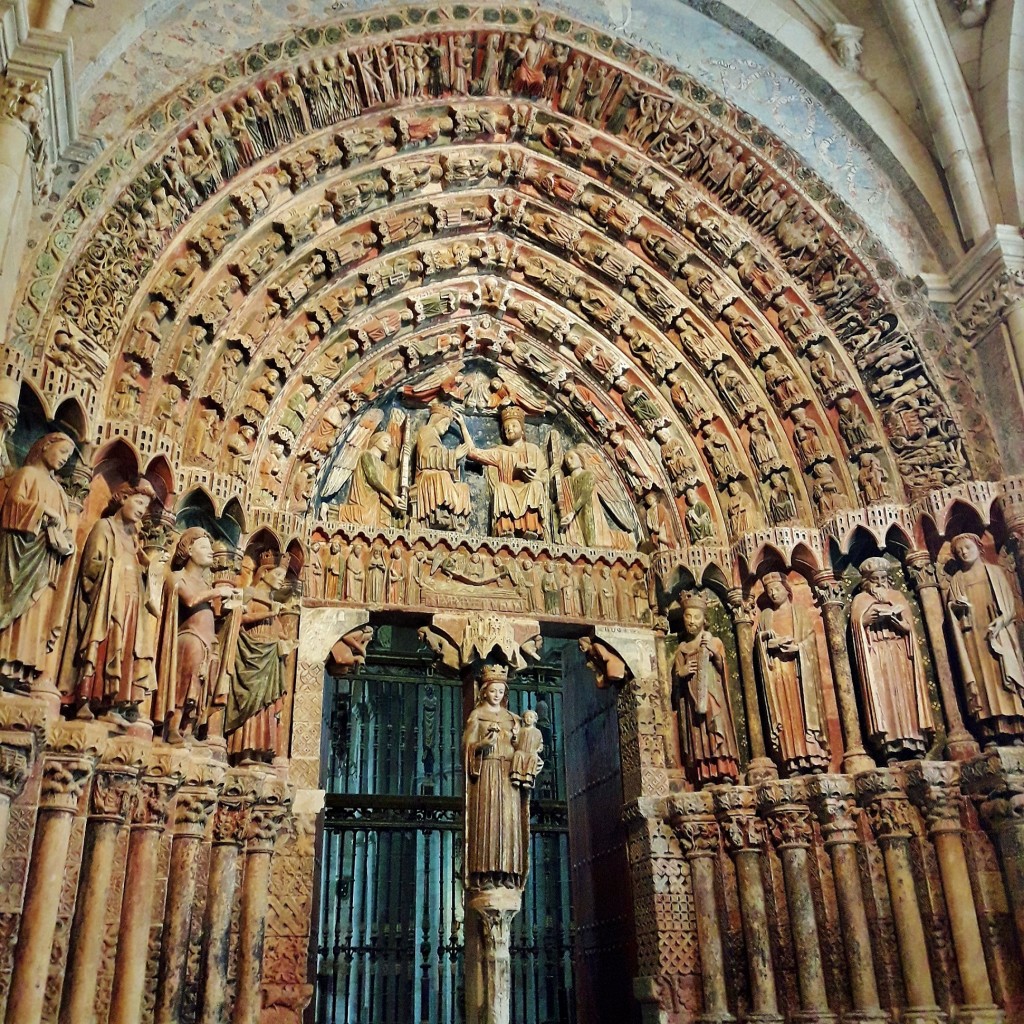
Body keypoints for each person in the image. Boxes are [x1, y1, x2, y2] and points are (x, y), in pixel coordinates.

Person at [59, 480, 159, 724]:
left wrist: (145, 568)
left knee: (126, 650)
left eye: (145, 507)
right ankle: (85, 700)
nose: (141, 511)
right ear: (123, 498)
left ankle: (111, 706)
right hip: (108, 600)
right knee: (103, 645)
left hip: (131, 602)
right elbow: (91, 566)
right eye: (138, 502)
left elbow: (139, 572)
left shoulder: (134, 541)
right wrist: (115, 568)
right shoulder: (104, 527)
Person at [0, 432, 76, 690]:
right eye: (63, 452)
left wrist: (66, 542)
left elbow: (65, 526)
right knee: (18, 607)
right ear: (45, 446)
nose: (65, 459)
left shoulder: (59, 490)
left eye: (69, 456)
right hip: (23, 556)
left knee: (38, 614)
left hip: (47, 562)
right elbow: (11, 507)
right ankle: (4, 661)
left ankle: (21, 670)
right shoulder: (28, 475)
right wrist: (43, 511)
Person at [153, 528, 240, 744]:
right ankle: (172, 726)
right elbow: (190, 600)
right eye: (204, 547)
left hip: (207, 641)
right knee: (186, 680)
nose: (210, 552)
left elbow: (211, 614)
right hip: (188, 638)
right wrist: (217, 592)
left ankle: (189, 729)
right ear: (189, 550)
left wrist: (231, 610)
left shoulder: (205, 584)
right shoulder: (177, 577)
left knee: (204, 685)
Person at [850, 557, 934, 760]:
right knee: (885, 696)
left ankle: (914, 741)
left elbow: (908, 627)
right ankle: (889, 745)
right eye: (874, 579)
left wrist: (892, 614)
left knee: (905, 695)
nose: (879, 583)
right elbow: (857, 626)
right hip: (877, 654)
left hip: (899, 651)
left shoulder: (896, 596)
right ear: (866, 581)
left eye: (882, 578)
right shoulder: (861, 600)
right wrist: (868, 618)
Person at [946, 534, 1024, 743]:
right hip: (973, 638)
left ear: (979, 547)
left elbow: (1009, 605)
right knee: (982, 683)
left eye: (967, 547)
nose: (964, 552)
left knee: (1004, 676)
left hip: (998, 632)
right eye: (959, 551)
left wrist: (1001, 622)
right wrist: (956, 607)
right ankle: (989, 730)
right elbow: (952, 612)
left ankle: (1015, 727)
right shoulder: (957, 580)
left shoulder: (995, 573)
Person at [754, 572, 830, 774]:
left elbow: (810, 640)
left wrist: (798, 649)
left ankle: (814, 758)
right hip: (778, 672)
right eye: (770, 591)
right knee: (787, 716)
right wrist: (768, 642)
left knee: (804, 713)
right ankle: (791, 760)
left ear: (787, 591)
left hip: (800, 671)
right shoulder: (766, 616)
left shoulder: (799, 612)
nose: (773, 594)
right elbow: (760, 646)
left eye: (777, 589)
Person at [462, 664, 530, 890]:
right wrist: (481, 745)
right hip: (487, 774)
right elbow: (465, 748)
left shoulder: (513, 719)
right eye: (493, 691)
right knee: (489, 823)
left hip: (509, 776)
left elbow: (525, 745)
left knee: (509, 824)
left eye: (501, 692)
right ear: (484, 692)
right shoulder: (477, 716)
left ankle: (509, 873)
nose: (497, 695)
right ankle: (486, 874)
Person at [225, 557, 300, 763]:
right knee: (252, 701)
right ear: (264, 573)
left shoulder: (273, 602)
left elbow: (276, 629)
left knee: (265, 705)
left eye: (283, 577)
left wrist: (287, 639)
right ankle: (245, 752)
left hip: (269, 655)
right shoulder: (250, 593)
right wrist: (269, 612)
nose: (279, 580)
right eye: (276, 575)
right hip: (252, 652)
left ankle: (260, 751)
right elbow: (240, 618)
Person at [672, 594, 739, 784]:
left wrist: (715, 654)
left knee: (717, 727)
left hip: (712, 694)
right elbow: (674, 684)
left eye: (696, 617)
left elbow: (723, 669)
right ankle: (706, 773)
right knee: (699, 734)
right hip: (693, 700)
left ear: (704, 620)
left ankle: (725, 770)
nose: (691, 622)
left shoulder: (714, 641)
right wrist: (681, 673)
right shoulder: (682, 649)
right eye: (687, 616)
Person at [464, 405, 545, 539]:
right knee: (501, 488)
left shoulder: (533, 450)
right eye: (506, 427)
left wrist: (537, 478)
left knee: (536, 486)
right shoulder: (501, 452)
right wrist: (463, 425)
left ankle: (531, 528)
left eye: (514, 425)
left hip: (528, 488)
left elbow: (545, 475)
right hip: (508, 489)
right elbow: (473, 453)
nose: (509, 429)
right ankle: (506, 529)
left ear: (522, 430)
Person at [414, 402, 471, 529]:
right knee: (443, 476)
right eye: (445, 424)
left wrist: (455, 460)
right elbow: (426, 456)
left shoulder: (437, 440)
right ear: (436, 420)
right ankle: (439, 516)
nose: (446, 429)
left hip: (436, 475)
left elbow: (440, 458)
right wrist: (453, 456)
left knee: (463, 487)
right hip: (425, 476)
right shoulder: (426, 431)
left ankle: (457, 522)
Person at [510, 709, 544, 788]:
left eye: (531, 717)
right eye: (526, 717)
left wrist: (538, 749)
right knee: (517, 755)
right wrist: (514, 738)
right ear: (523, 719)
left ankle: (528, 779)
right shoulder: (520, 731)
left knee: (533, 758)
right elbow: (516, 743)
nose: (528, 719)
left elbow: (540, 743)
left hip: (531, 752)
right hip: (521, 751)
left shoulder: (537, 732)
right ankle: (516, 777)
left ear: (535, 719)